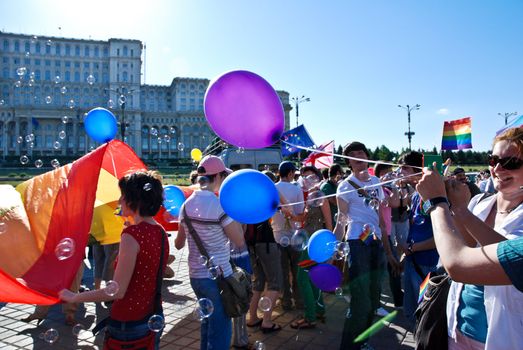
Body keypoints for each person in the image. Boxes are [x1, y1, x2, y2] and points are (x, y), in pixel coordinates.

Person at [418, 127, 523, 350]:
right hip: (457, 325)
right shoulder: (480, 202)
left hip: (502, 335)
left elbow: (503, 254)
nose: (497, 168)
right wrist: (450, 201)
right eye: (493, 159)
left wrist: (441, 203)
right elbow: (458, 247)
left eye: (510, 162)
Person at [60, 171, 169, 349]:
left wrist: (75, 296)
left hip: (129, 323)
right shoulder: (160, 231)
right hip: (152, 315)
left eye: (123, 196)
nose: (119, 201)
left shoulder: (131, 235)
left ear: (135, 200)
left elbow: (117, 291)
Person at [175, 155, 245, 350]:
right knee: (221, 328)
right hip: (218, 277)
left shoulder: (185, 206)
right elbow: (239, 241)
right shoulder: (220, 206)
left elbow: (179, 244)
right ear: (218, 177)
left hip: (195, 276)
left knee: (207, 322)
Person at [335, 142, 396, 350]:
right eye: (352, 155)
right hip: (356, 243)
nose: (358, 156)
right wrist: (334, 248)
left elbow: (380, 217)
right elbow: (341, 220)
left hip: (376, 242)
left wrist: (388, 250)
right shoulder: (345, 185)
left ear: (367, 156)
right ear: (349, 162)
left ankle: (363, 342)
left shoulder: (377, 181)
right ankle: (349, 346)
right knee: (360, 299)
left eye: (361, 153)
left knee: (374, 297)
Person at [397, 151, 440, 325]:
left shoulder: (430, 196)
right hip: (413, 260)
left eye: (405, 168)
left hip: (427, 264)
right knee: (412, 311)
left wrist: (413, 248)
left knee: (424, 314)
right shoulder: (416, 195)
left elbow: (440, 236)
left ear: (417, 169)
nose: (400, 172)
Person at [291, 165, 332, 329]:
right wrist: (289, 213)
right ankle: (319, 311)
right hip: (308, 240)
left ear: (317, 177)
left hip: (315, 243)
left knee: (302, 277)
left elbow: (329, 222)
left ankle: (310, 317)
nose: (306, 179)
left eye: (310, 176)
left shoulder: (321, 195)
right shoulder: (310, 197)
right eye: (304, 176)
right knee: (312, 276)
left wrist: (330, 247)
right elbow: (304, 218)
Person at [272, 161, 304, 310]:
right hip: (294, 235)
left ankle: (285, 301)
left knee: (282, 270)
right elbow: (300, 212)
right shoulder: (296, 189)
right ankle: (299, 300)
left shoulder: (272, 188)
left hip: (277, 235)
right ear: (290, 173)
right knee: (297, 270)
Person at [374, 163, 403, 311]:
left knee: (394, 269)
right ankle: (376, 304)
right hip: (378, 235)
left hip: (387, 234)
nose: (390, 175)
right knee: (380, 271)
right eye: (387, 173)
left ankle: (399, 301)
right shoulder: (375, 190)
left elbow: (396, 202)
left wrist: (394, 186)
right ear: (379, 174)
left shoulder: (386, 189)